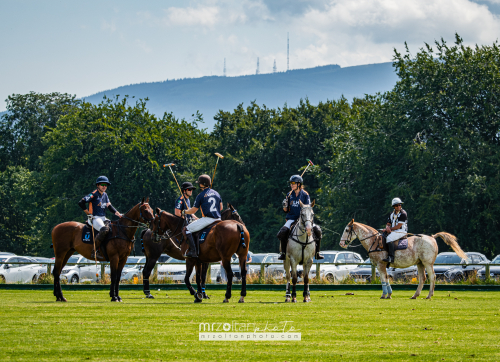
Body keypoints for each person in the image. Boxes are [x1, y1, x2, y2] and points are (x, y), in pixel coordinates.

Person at [277, 175, 324, 261]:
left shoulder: (305, 195)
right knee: (282, 232)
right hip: (291, 218)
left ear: (299, 184)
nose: (291, 185)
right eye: (291, 183)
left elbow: (308, 207)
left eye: (293, 183)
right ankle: (283, 253)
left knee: (318, 230)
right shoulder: (289, 194)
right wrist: (284, 205)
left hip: (304, 219)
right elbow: (286, 210)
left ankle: (317, 253)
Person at [78, 176, 122, 259]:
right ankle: (95, 251)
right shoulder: (93, 194)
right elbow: (81, 202)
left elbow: (109, 206)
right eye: (102, 184)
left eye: (106, 185)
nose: (104, 186)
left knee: (114, 227)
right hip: (94, 218)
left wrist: (118, 214)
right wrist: (88, 213)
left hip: (103, 218)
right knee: (104, 229)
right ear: (98, 185)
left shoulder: (105, 195)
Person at [182, 174, 223, 258]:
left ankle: (193, 251)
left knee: (187, 229)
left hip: (208, 219)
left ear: (202, 184)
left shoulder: (200, 195)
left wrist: (184, 211)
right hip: (219, 219)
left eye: (199, 183)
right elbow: (221, 207)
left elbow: (193, 210)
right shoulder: (216, 193)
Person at [382, 198, 408, 263]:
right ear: (393, 206)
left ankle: (391, 257)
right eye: (397, 205)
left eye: (400, 205)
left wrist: (389, 229)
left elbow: (398, 226)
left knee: (389, 238)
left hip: (401, 231)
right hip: (393, 231)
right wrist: (387, 227)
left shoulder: (403, 214)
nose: (399, 206)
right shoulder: (391, 213)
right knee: (381, 236)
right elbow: (388, 223)